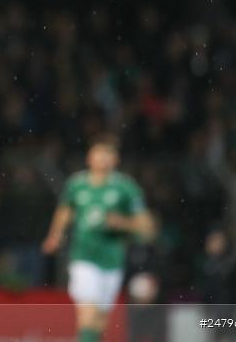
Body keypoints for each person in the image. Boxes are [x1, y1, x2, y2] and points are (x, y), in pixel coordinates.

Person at [42, 134, 155, 342]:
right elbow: (65, 210)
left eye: (107, 155)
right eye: (98, 154)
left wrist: (124, 223)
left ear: (116, 159)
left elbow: (148, 227)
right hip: (84, 257)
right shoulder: (77, 184)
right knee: (88, 316)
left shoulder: (126, 188)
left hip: (112, 260)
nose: (102, 159)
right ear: (89, 158)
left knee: (99, 323)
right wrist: (55, 236)